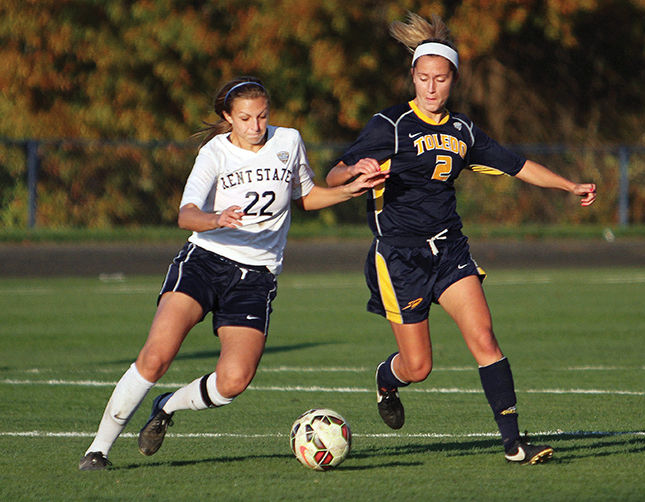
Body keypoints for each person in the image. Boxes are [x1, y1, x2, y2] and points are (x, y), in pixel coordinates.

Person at [326, 13, 596, 465]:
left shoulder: (463, 130)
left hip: (449, 249)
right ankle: (387, 378)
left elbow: (518, 164)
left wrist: (569, 186)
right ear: (412, 76)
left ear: (453, 80)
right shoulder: (389, 125)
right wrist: (356, 172)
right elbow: (336, 171)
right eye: (424, 78)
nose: (431, 88)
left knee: (485, 338)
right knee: (419, 367)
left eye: (441, 79)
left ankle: (513, 443)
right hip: (399, 257)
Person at [78, 76, 388, 470]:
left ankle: (167, 405)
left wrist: (352, 189)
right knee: (156, 356)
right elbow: (185, 214)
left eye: (262, 116)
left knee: (234, 380)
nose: (256, 126)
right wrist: (215, 218)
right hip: (204, 262)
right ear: (228, 117)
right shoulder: (214, 154)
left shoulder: (288, 141)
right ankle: (98, 450)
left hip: (257, 276)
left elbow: (305, 195)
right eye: (245, 118)